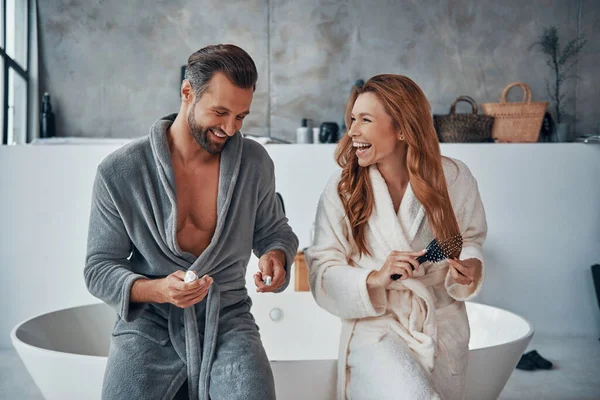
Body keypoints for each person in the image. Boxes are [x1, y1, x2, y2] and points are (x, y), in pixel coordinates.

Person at [84, 44, 298, 400]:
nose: (231, 129)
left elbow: (274, 231)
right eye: (220, 112)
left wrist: (276, 256)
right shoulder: (119, 173)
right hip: (149, 323)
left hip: (228, 319)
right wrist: (157, 290)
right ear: (187, 92)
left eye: (241, 117)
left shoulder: (255, 163)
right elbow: (98, 268)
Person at [305, 74, 487, 400]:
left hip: (440, 324)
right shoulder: (343, 189)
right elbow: (321, 268)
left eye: (365, 120)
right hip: (378, 325)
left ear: (401, 128)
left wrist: (471, 264)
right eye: (352, 119)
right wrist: (374, 279)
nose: (352, 131)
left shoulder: (454, 177)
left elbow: (470, 237)